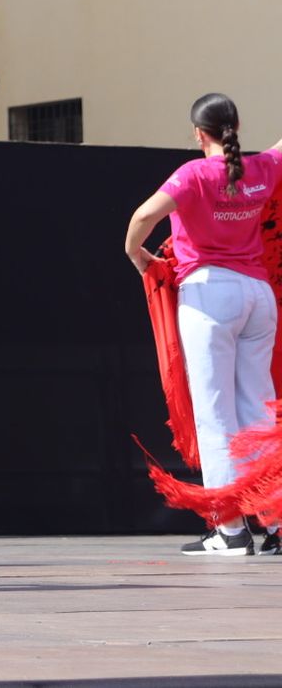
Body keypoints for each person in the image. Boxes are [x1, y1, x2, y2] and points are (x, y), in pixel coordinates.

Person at [125, 93, 282, 556]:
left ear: (198, 133)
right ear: (235, 126)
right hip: (258, 296)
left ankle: (230, 530)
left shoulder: (194, 174)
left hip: (210, 295)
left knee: (215, 415)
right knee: (258, 413)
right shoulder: (263, 169)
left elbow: (143, 216)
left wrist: (138, 257)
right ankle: (275, 526)